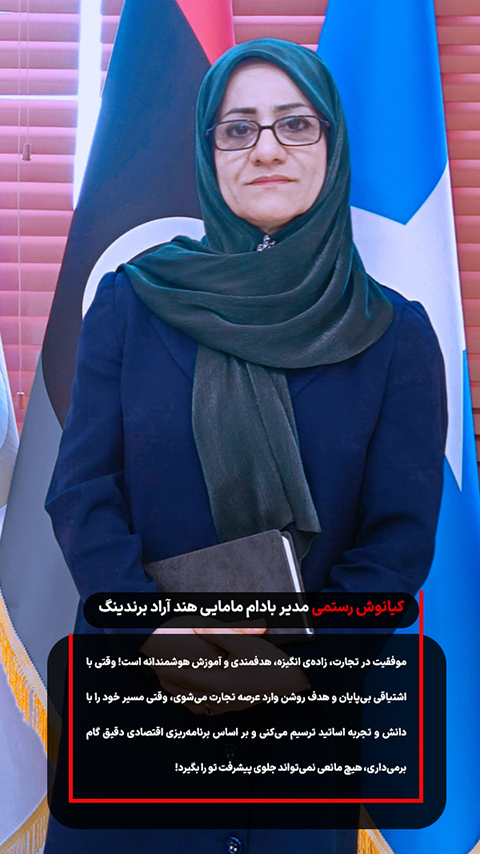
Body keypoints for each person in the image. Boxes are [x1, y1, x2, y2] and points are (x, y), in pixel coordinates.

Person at [44, 39, 447, 854]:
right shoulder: (131, 304)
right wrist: (154, 638)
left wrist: (294, 671)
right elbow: (82, 494)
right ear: (209, 151)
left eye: (295, 124)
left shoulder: (395, 336)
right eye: (239, 128)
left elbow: (395, 545)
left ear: (331, 145)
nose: (266, 148)